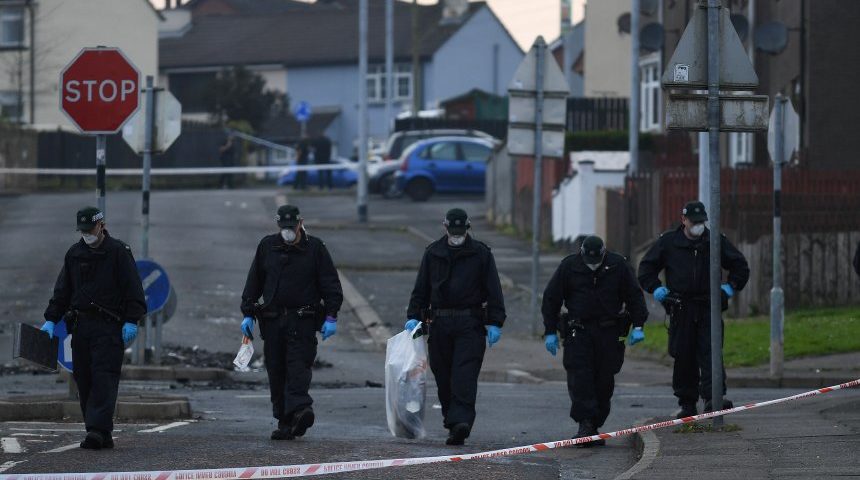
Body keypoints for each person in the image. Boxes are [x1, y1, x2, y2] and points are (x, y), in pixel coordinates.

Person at [40, 207, 146, 450]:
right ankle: (100, 431)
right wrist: (51, 319)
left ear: (101, 225)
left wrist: (132, 319)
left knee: (103, 377)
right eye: (83, 231)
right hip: (81, 326)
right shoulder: (74, 253)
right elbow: (63, 290)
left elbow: (133, 289)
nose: (86, 234)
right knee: (84, 377)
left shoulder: (118, 252)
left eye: (90, 229)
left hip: (108, 326)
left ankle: (96, 430)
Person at [637, 200, 750, 418]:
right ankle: (687, 403)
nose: (698, 226)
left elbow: (740, 266)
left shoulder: (714, 241)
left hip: (708, 306)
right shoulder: (669, 242)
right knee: (684, 356)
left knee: (711, 353)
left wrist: (730, 287)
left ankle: (713, 397)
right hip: (681, 308)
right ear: (683, 220)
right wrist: (656, 288)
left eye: (701, 222)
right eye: (693, 222)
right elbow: (646, 269)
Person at [240, 205, 343, 440]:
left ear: (300, 223)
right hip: (273, 320)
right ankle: (285, 422)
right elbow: (254, 282)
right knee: (276, 370)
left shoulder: (315, 248)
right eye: (283, 227)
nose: (288, 231)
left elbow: (330, 284)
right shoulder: (268, 246)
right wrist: (248, 312)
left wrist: (331, 316)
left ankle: (301, 409)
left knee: (298, 367)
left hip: (302, 320)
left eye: (292, 227)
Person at [405, 208, 506, 446]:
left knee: (464, 375)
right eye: (454, 231)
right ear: (446, 228)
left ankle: (461, 422)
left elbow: (494, 289)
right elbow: (421, 288)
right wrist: (414, 316)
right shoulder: (433, 253)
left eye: (461, 231)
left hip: (470, 323)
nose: (457, 236)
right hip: (440, 323)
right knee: (443, 376)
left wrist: (495, 321)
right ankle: (452, 421)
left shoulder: (480, 254)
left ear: (467, 228)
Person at [541, 235, 648, 447]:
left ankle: (594, 423)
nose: (592, 265)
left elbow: (634, 296)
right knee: (580, 378)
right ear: (581, 253)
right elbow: (551, 298)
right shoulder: (570, 266)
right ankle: (586, 424)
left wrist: (638, 325)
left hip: (609, 331)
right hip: (579, 331)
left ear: (603, 253)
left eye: (596, 261)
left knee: (604, 380)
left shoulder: (618, 265)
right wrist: (550, 330)